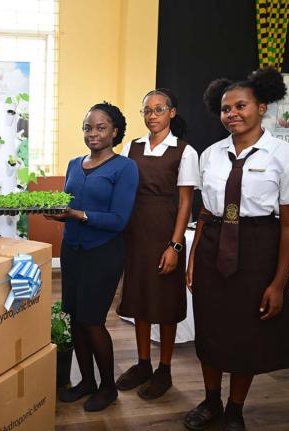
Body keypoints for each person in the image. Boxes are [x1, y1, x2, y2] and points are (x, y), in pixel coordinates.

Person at [184, 68, 289, 431]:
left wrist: (278, 281)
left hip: (257, 248)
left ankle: (235, 410)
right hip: (212, 245)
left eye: (241, 105)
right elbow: (205, 213)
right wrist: (193, 257)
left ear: (263, 107)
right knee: (209, 329)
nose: (232, 114)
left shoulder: (285, 157)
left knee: (246, 334)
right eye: (225, 108)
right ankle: (211, 401)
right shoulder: (210, 155)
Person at [47, 102, 138, 412]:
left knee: (92, 321)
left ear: (115, 131)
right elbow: (68, 205)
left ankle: (107, 387)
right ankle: (86, 382)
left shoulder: (125, 168)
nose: (93, 133)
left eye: (101, 127)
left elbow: (119, 219)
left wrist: (78, 214)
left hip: (104, 253)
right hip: (71, 250)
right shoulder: (74, 164)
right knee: (73, 319)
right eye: (88, 127)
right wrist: (59, 214)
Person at [116, 89, 199, 399]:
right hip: (136, 235)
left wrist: (175, 246)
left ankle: (164, 369)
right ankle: (142, 364)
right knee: (139, 300)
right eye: (147, 110)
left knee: (164, 303)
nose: (152, 115)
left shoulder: (184, 151)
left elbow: (186, 203)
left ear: (172, 113)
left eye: (159, 109)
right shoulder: (131, 147)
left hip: (166, 235)